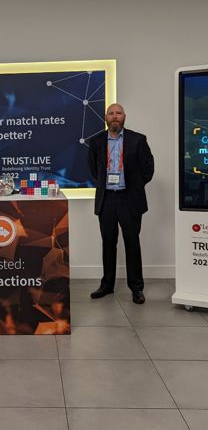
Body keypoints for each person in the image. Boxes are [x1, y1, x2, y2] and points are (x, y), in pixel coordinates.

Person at [88, 103, 154, 304]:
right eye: (111, 113)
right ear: (105, 117)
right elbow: (93, 170)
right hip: (107, 199)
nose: (115, 116)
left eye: (118, 113)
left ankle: (136, 288)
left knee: (132, 243)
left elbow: (148, 169)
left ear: (124, 116)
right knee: (108, 243)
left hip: (129, 199)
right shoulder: (96, 141)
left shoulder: (138, 140)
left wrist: (133, 186)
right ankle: (107, 285)